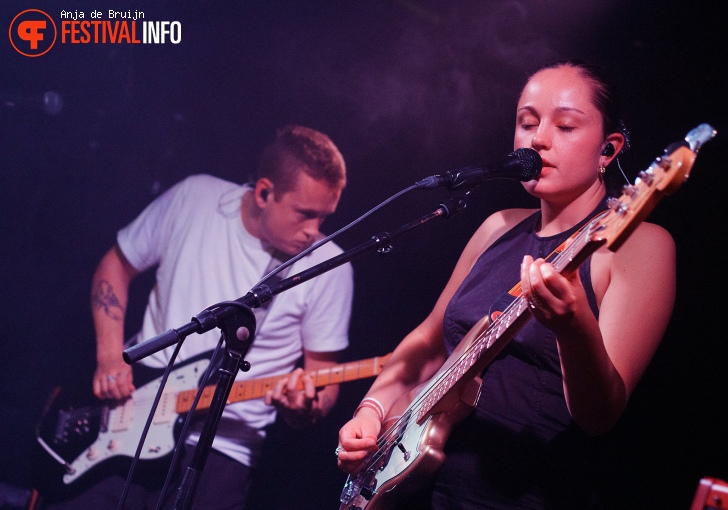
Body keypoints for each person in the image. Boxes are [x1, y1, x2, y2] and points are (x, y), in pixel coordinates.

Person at [336, 60, 676, 509]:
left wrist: (574, 327)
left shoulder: (639, 243)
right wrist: (371, 411)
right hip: (416, 487)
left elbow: (601, 413)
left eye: (566, 125)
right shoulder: (498, 226)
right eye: (527, 122)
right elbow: (428, 341)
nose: (537, 139)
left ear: (608, 150)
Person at [41, 125, 354, 509]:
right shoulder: (195, 198)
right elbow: (116, 265)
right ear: (264, 193)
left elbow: (324, 376)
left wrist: (307, 405)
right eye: (305, 214)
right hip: (128, 415)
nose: (313, 232)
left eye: (324, 218)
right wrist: (109, 357)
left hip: (222, 453)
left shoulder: (331, 267)